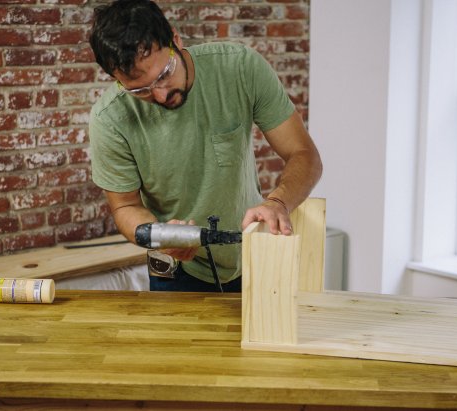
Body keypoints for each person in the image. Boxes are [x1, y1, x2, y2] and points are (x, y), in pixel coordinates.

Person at [88, 0, 322, 292]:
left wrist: (279, 202)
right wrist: (160, 235)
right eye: (140, 90)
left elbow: (304, 154)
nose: (160, 96)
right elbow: (125, 206)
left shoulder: (239, 68)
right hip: (175, 269)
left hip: (251, 254)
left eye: (164, 75)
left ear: (175, 39)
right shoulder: (110, 118)